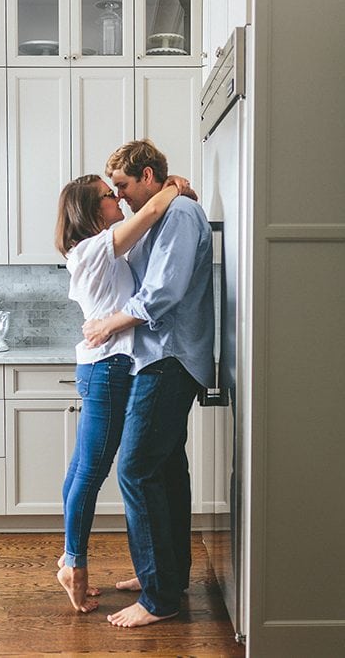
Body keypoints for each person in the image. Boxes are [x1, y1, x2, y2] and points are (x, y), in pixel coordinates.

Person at [82, 139, 214, 628]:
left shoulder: (178, 215)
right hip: (161, 357)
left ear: (149, 176)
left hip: (170, 357)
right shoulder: (166, 209)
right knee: (164, 469)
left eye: (124, 186)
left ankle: (160, 599)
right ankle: (165, 575)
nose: (120, 197)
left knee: (136, 469)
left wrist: (108, 324)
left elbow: (161, 295)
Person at [54, 171, 193, 614]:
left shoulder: (106, 248)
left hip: (111, 369)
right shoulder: (95, 247)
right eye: (108, 196)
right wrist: (175, 187)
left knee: (82, 469)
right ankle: (73, 563)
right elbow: (152, 211)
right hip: (107, 370)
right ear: (93, 211)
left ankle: (75, 559)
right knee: (91, 472)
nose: (118, 199)